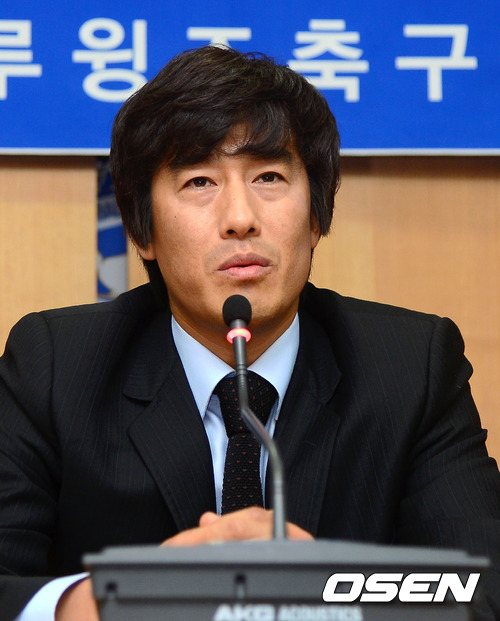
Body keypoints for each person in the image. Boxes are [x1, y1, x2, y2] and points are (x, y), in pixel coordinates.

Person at [0, 45, 499, 621]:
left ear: (316, 217)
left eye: (268, 176)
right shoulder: (57, 366)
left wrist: (325, 591)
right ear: (143, 232)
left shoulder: (410, 367)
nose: (240, 218)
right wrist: (115, 599)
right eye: (199, 182)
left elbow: (480, 591)